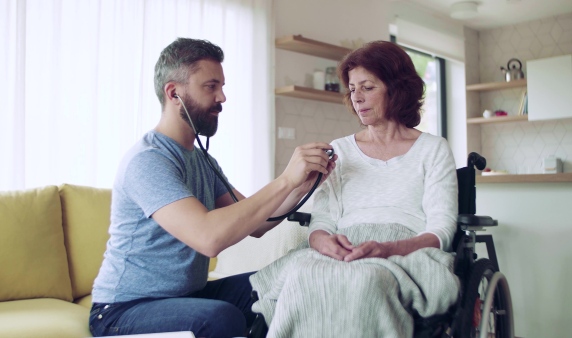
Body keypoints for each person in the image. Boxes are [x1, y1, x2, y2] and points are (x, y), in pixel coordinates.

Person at [89, 37, 336, 338]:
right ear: (174, 93)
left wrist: (300, 186)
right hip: (123, 310)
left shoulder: (202, 160)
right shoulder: (148, 160)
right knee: (220, 319)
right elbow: (208, 238)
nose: (222, 97)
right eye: (211, 86)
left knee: (289, 281)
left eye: (222, 86)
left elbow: (258, 225)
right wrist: (284, 179)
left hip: (190, 296)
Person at [249, 41, 460, 337]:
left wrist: (386, 249)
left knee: (368, 280)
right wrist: (324, 243)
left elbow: (441, 231)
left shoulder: (433, 149)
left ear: (396, 88)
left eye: (368, 87)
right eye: (352, 89)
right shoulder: (339, 150)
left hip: (404, 250)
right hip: (343, 246)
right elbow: (322, 223)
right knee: (302, 273)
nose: (357, 98)